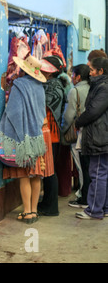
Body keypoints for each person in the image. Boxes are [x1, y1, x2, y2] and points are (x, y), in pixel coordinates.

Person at [0, 55, 53, 224]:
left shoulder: (19, 85)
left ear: (23, 69)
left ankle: (26, 211)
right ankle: (34, 211)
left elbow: (13, 112)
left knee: (24, 175)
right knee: (36, 175)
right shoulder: (39, 87)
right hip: (41, 135)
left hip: (25, 136)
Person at [75, 57, 108, 220]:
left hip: (100, 137)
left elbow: (93, 111)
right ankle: (104, 208)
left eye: (92, 69)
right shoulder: (99, 85)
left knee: (98, 173)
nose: (90, 72)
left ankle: (94, 210)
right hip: (101, 135)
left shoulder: (103, 87)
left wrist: (78, 122)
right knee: (102, 173)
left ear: (100, 71)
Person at [37, 55, 68, 216]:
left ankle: (50, 207)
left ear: (49, 72)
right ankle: (48, 204)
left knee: (49, 171)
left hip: (51, 133)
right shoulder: (54, 84)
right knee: (50, 170)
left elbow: (45, 108)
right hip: (51, 132)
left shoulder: (51, 86)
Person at [62, 65, 91, 209]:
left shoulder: (75, 91)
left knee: (81, 166)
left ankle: (82, 196)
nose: (71, 77)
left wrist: (63, 130)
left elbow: (69, 116)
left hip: (78, 133)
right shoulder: (93, 88)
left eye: (73, 75)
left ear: (78, 76)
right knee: (90, 166)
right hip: (93, 132)